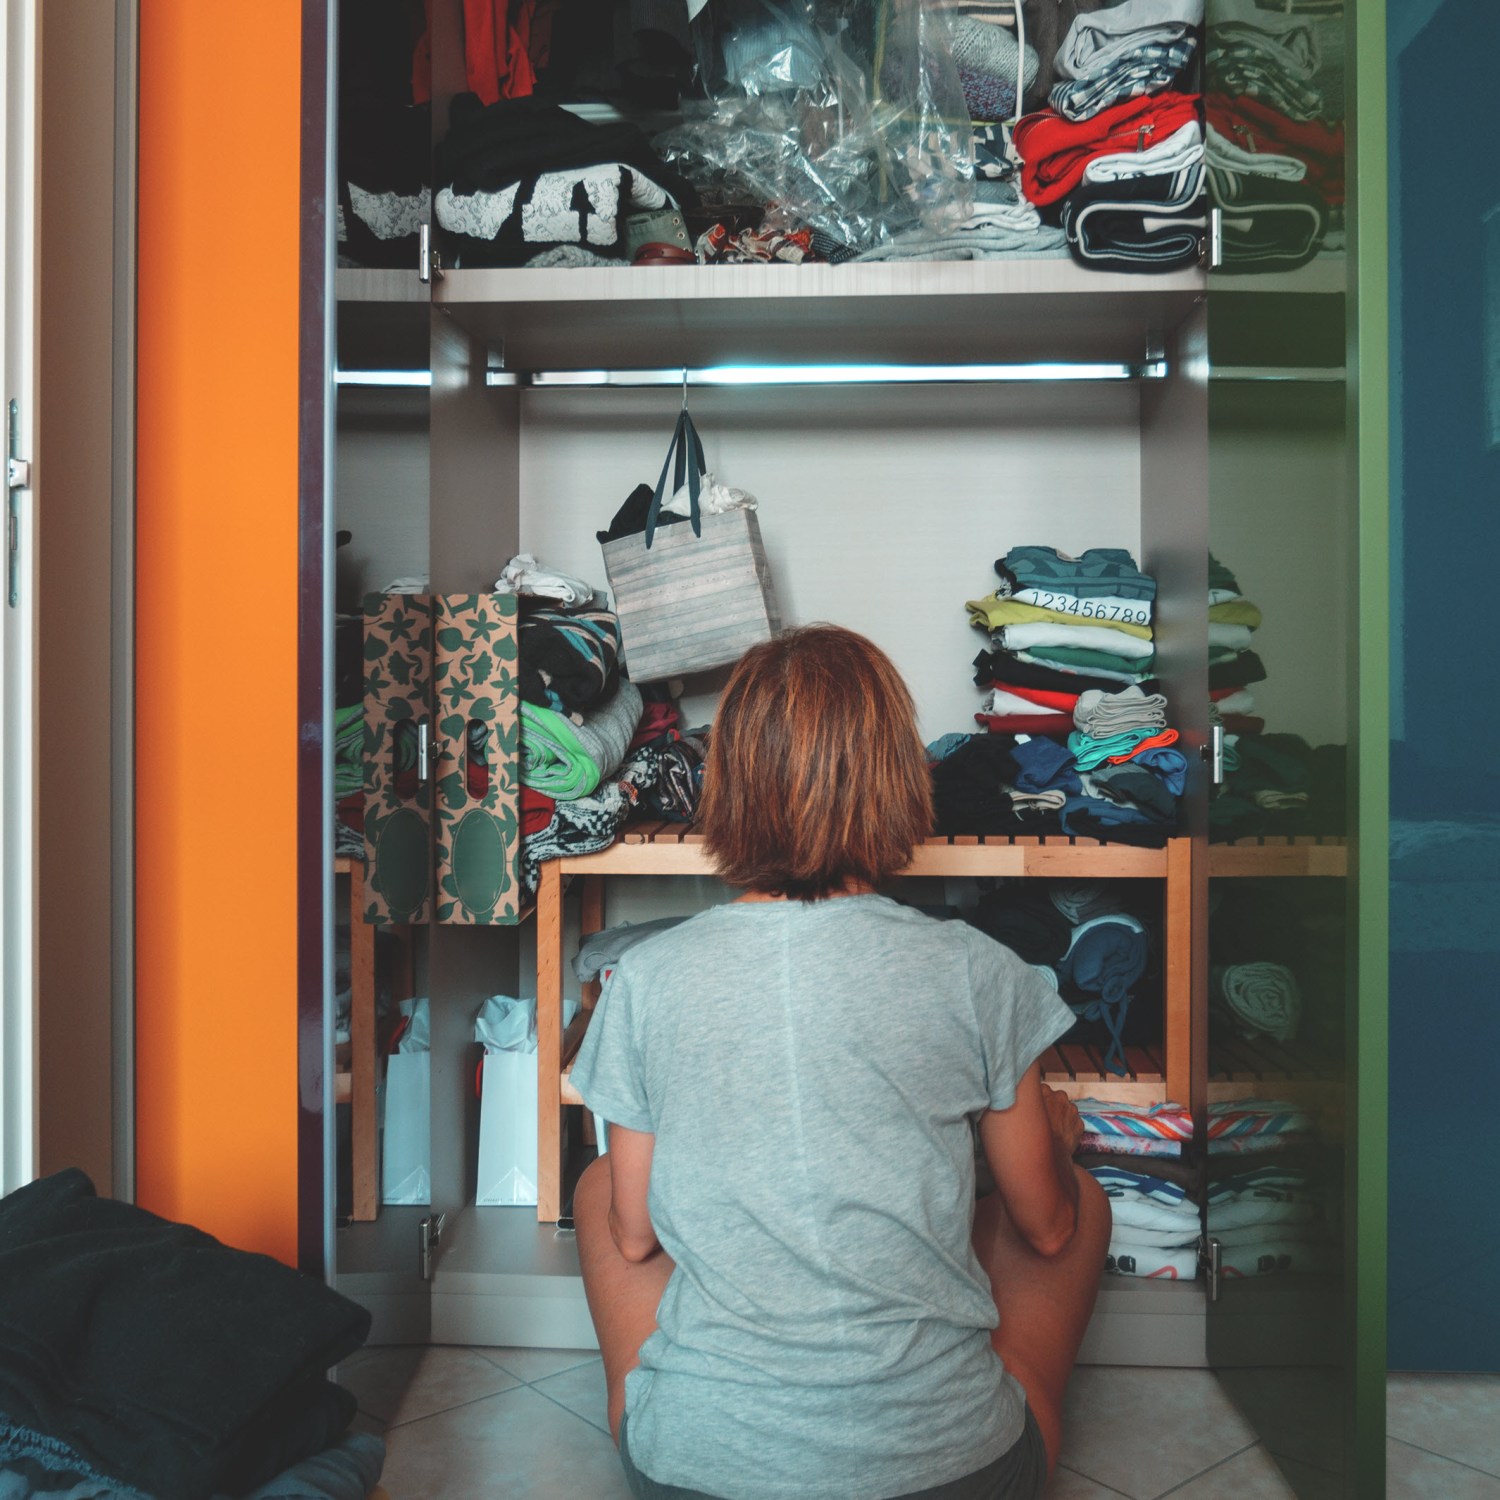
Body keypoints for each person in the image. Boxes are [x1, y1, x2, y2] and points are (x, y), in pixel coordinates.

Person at [570, 624, 1112, 1500]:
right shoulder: (978, 969)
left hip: (696, 1478)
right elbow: (1046, 1228)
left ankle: (699, 1416)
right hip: (955, 1475)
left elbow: (635, 1234)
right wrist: (1051, 1133)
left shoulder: (648, 980)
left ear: (730, 781)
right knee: (1074, 1200)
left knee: (602, 1189)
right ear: (896, 775)